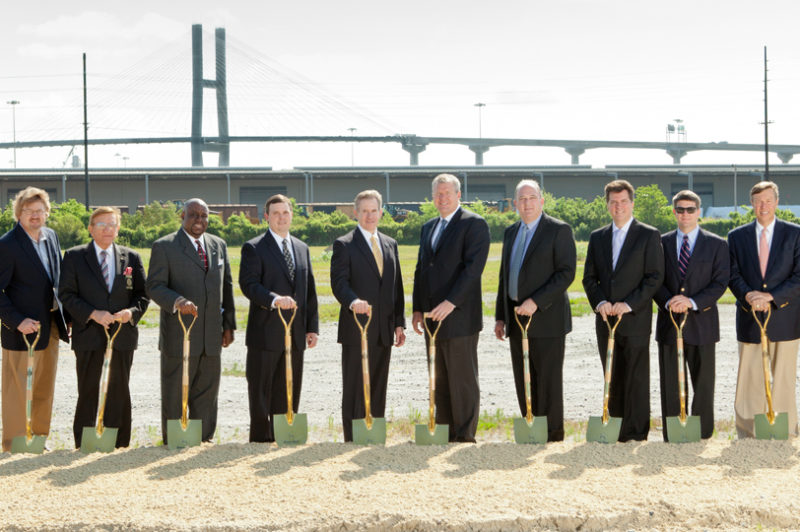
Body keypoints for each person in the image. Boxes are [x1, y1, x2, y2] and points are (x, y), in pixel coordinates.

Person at [146, 198, 236, 444]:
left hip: (211, 336)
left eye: (204, 216)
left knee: (207, 391)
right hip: (180, 335)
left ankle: (203, 439)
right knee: (175, 391)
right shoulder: (165, 246)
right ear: (182, 217)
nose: (199, 220)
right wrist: (177, 301)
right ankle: (176, 439)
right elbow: (154, 286)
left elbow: (226, 287)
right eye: (194, 215)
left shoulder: (218, 245)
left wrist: (228, 324)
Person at [59, 206, 149, 448]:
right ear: (91, 229)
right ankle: (86, 443)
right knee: (88, 388)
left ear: (118, 228)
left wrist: (130, 313)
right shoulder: (75, 257)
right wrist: (92, 314)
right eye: (102, 225)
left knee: (119, 389)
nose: (108, 229)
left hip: (121, 336)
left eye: (112, 224)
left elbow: (142, 296)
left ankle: (119, 443)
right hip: (89, 335)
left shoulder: (131, 258)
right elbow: (66, 294)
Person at [494, 180, 576, 442]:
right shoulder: (510, 232)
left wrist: (537, 301)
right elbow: (504, 277)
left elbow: (566, 273)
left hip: (547, 318)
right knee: (524, 378)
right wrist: (500, 315)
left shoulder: (559, 230)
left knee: (548, 379)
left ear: (541, 201)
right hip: (516, 318)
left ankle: (552, 435)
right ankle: (531, 429)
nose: (527, 203)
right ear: (515, 204)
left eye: (532, 198)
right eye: (522, 199)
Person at [582, 179, 664, 441]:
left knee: (636, 376)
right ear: (607, 205)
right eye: (613, 202)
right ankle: (614, 429)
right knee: (611, 374)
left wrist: (629, 304)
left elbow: (654, 277)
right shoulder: (597, 237)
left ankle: (637, 431)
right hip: (606, 318)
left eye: (623, 201)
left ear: (632, 203)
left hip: (635, 317)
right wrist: (600, 302)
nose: (619, 206)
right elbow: (589, 278)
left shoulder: (648, 234)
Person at [412, 173, 490, 442]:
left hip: (459, 316)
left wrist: (451, 302)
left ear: (458, 195)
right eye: (438, 193)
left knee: (462, 379)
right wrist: (418, 308)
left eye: (447, 193)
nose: (442, 198)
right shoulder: (428, 227)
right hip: (432, 316)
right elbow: (422, 269)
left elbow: (473, 270)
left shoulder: (474, 224)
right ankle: (443, 432)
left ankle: (465, 435)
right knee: (439, 378)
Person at [239, 194, 318, 442]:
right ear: (266, 217)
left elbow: (309, 290)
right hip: (265, 332)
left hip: (295, 334)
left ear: (291, 215)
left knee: (289, 388)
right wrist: (274, 299)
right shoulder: (254, 247)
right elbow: (248, 285)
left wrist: (311, 327)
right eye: (276, 213)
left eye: (285, 213)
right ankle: (262, 440)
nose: (281, 218)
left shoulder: (302, 248)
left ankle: (285, 435)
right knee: (261, 390)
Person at [331, 190, 405, 442]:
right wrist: (353, 302)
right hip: (357, 327)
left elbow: (396, 287)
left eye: (374, 210)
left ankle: (373, 434)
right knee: (355, 384)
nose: (369, 215)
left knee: (378, 383)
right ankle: (353, 437)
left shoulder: (389, 243)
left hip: (384, 329)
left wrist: (399, 324)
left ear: (381, 212)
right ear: (356, 213)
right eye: (364, 211)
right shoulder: (345, 244)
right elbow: (339, 283)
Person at [654, 190, 728, 441]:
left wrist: (692, 302)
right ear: (674, 212)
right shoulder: (660, 243)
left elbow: (720, 283)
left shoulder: (717, 244)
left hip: (703, 323)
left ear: (699, 212)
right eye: (680, 209)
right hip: (669, 322)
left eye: (690, 209)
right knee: (671, 383)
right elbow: (654, 280)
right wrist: (669, 301)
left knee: (704, 383)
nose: (685, 214)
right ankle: (675, 433)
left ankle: (703, 432)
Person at [0, 187, 70, 451]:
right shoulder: (6, 245)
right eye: (29, 211)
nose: (35, 216)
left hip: (50, 325)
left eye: (40, 211)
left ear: (47, 213)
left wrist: (67, 316)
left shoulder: (51, 237)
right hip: (21, 330)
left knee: (43, 387)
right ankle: (14, 444)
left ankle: (38, 439)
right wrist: (17, 321)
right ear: (19, 213)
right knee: (17, 391)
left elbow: (58, 278)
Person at [728, 181, 800, 438]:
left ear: (777, 202)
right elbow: (732, 274)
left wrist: (771, 296)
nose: (764, 206)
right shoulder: (736, 237)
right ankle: (748, 433)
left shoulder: (795, 234)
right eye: (759, 201)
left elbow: (799, 276)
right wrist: (749, 295)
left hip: (785, 316)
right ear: (752, 204)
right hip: (750, 316)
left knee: (782, 377)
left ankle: (784, 431)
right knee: (749, 377)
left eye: (768, 200)